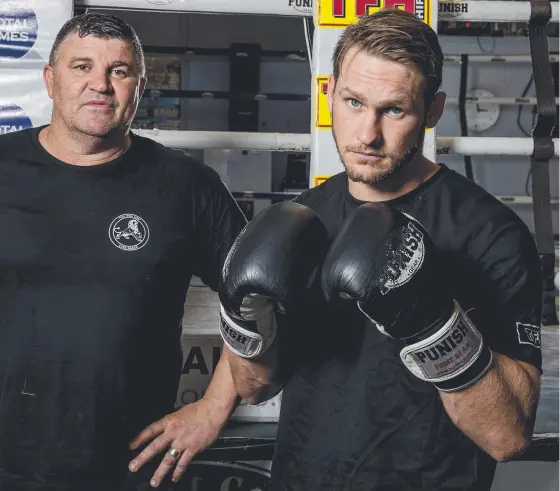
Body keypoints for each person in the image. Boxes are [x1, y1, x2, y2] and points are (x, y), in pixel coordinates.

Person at [177, 8, 544, 491]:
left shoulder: (491, 234)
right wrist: (244, 319)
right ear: (330, 93)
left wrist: (435, 326)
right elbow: (255, 385)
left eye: (394, 110)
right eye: (353, 103)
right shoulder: (301, 221)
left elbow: (507, 437)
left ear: (433, 111)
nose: (367, 134)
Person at [0, 11, 269, 491]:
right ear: (50, 79)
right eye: (81, 67)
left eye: (118, 71)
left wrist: (212, 409)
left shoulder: (187, 186)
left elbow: (261, 301)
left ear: (139, 86)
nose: (99, 85)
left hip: (133, 465)